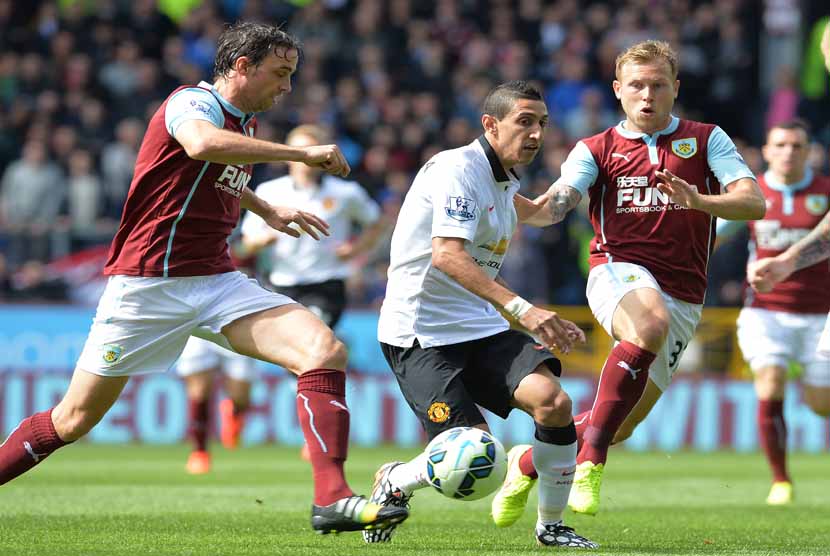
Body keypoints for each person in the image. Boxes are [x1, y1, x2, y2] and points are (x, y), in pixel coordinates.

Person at [0, 22, 408, 535]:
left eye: (292, 76)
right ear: (242, 66)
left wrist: (263, 208)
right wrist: (301, 153)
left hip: (215, 280)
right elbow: (199, 146)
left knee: (323, 350)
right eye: (280, 74)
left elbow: (217, 169)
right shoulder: (192, 104)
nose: (287, 87)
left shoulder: (245, 122)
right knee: (73, 421)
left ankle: (332, 497)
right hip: (148, 284)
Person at [489, 40, 764, 522]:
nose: (647, 95)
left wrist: (698, 201)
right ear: (618, 90)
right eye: (636, 85)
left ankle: (528, 461)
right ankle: (591, 462)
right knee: (648, 325)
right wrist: (534, 210)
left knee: (618, 424)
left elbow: (753, 202)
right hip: (617, 270)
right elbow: (563, 198)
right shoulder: (595, 148)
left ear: (675, 88)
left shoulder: (706, 139)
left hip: (685, 293)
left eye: (658, 85)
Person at [364, 81, 597, 548]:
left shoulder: (505, 181)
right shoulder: (458, 169)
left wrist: (587, 170)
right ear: (490, 125)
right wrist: (523, 310)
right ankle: (397, 479)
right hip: (421, 332)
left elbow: (545, 213)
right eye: (524, 122)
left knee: (555, 404)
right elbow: (447, 255)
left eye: (543, 124)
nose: (535, 134)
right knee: (477, 455)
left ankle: (552, 527)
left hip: (479, 325)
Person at [240, 123, 389, 462]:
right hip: (281, 282)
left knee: (313, 353)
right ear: (289, 156)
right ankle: (316, 418)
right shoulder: (270, 190)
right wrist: (258, 241)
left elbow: (377, 221)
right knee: (297, 360)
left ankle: (317, 433)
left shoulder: (344, 193)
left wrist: (357, 250)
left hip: (326, 283)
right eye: (299, 153)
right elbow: (245, 243)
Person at [716, 120, 830, 505]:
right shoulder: (753, 194)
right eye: (780, 145)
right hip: (766, 312)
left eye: (797, 145)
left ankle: (808, 377)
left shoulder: (824, 192)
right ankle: (781, 481)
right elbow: (713, 234)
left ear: (808, 150)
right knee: (770, 380)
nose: (788, 152)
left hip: (821, 314)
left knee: (821, 405)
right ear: (766, 151)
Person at [177, 336, 258, 474]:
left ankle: (234, 413)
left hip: (232, 322)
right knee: (199, 390)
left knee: (240, 396)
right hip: (198, 327)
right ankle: (199, 452)